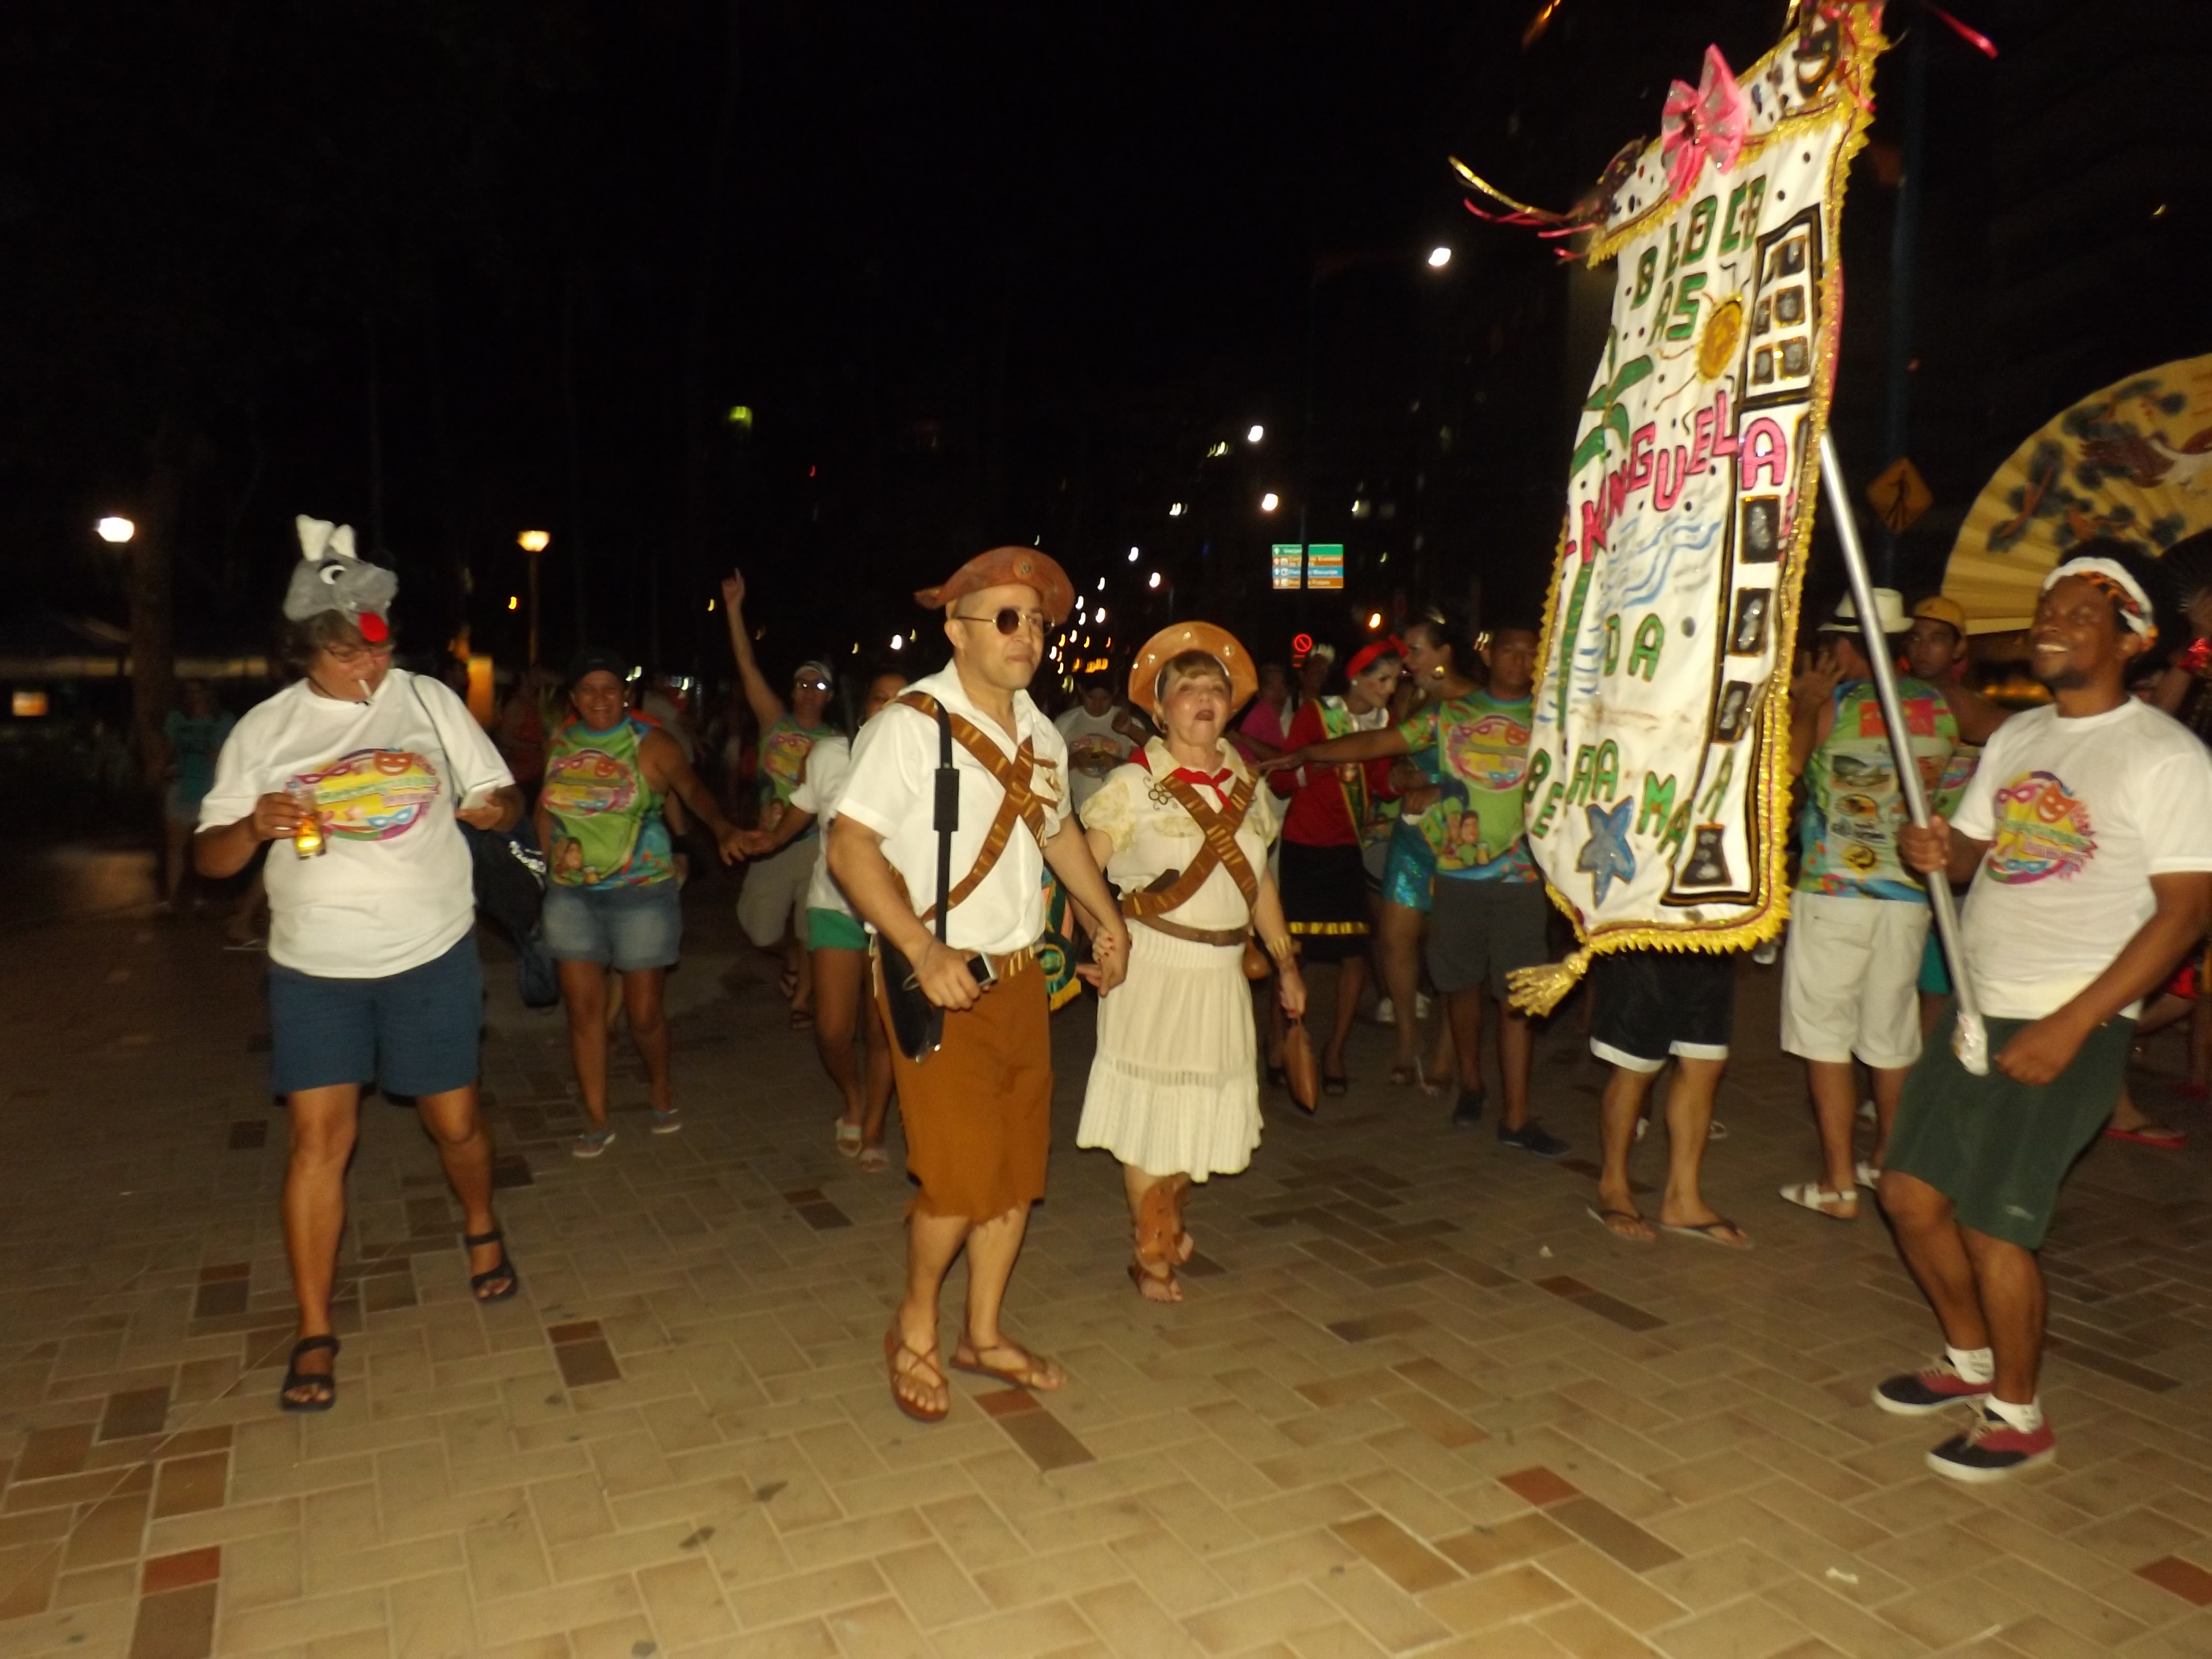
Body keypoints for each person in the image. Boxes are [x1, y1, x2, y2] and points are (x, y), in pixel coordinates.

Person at [1879, 549, 2212, 1480]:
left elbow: (2185, 915)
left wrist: (2069, 1026)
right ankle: (1969, 1359)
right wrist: (1931, 849)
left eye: (2078, 614)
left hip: (2073, 1020)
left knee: (1996, 1224)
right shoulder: (2019, 736)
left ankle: (2019, 1415)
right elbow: (1967, 856)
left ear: (2133, 641)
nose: (2050, 624)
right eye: (2046, 609)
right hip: (1978, 1007)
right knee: (1907, 1195)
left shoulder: (2167, 757)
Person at [194, 516, 523, 1410]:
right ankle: (314, 1326)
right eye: (346, 654)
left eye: (376, 649)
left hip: (431, 950)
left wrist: (493, 810)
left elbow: (499, 793)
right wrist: (250, 827)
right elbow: (211, 861)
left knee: (455, 1122)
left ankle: (481, 1222)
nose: (367, 668)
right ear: (305, 650)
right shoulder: (265, 730)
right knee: (317, 1143)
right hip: (314, 968)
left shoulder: (427, 701)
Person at [827, 545, 1130, 1423]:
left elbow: (1057, 833)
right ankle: (916, 1325)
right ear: (956, 632)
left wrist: (1106, 921)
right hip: (940, 981)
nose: (1026, 633)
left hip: (1021, 977)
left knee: (1015, 1173)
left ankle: (984, 1334)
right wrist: (920, 950)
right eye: (1005, 618)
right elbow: (849, 847)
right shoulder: (910, 727)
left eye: (1035, 621)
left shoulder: (1041, 731)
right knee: (959, 1181)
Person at [1271, 616, 1569, 1154]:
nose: (1519, 661)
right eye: (1509, 650)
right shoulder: (1452, 714)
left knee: (1518, 998)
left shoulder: (1550, 719)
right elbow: (1379, 742)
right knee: (1460, 987)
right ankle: (1470, 1084)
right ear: (1490, 654)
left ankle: (1517, 1115)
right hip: (1455, 874)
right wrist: (1312, 752)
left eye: (1530, 653)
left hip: (1521, 878)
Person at [1077, 624, 1304, 1302]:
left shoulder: (1249, 788)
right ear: (1160, 708)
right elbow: (1082, 871)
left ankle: (1167, 1217)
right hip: (1152, 967)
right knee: (1153, 1114)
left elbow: (1261, 885)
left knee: (1198, 1108)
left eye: (1215, 688)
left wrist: (1286, 963)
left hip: (1223, 974)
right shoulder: (1131, 785)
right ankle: (1151, 1253)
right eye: (1187, 688)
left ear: (1230, 706)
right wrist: (1101, 939)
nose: (1203, 699)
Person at [1777, 591, 1958, 1220]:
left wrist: (1805, 702)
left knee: (1825, 1037)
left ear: (1841, 645)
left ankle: (1836, 1183)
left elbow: (1789, 766)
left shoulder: (1834, 704)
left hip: (1834, 892)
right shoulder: (1941, 705)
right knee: (1889, 1039)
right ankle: (1886, 1162)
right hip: (1908, 894)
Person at [539, 651, 747, 1156]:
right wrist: (545, 864)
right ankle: (596, 1118)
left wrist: (721, 828)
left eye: (609, 688)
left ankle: (660, 1086)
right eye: (588, 690)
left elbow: (692, 789)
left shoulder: (650, 743)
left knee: (644, 1014)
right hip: (572, 894)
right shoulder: (562, 742)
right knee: (583, 1012)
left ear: (626, 694)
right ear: (574, 697)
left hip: (641, 892)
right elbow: (546, 808)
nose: (600, 699)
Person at [747, 664, 910, 1170]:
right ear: (863, 707)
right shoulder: (828, 756)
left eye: (902, 699)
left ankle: (875, 1125)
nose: (890, 707)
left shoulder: (928, 764)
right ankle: (852, 1100)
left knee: (882, 1031)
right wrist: (765, 840)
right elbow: (798, 814)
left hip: (897, 919)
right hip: (834, 906)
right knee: (832, 1030)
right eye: (880, 697)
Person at [1263, 640, 1400, 1093]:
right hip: (1305, 843)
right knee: (1291, 951)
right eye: (1382, 679)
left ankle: (1335, 1050)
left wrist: (1409, 779)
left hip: (1347, 847)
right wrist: (1324, 766)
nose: (1390, 688)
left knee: (1355, 956)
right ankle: (1278, 1040)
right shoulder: (1318, 715)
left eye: (1395, 680)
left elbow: (1383, 784)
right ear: (1357, 677)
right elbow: (1283, 781)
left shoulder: (1386, 724)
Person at [721, 570, 838, 1027]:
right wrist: (734, 609)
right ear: (792, 691)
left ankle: (802, 1000)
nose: (809, 692)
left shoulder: (838, 741)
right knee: (759, 928)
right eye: (803, 684)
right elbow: (747, 666)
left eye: (819, 686)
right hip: (770, 841)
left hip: (813, 845)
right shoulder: (775, 722)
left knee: (812, 928)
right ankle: (789, 958)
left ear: (830, 696)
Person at [1585, 950, 1748, 1247]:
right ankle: (1614, 1188)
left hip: (1710, 936)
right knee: (1635, 1065)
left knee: (1705, 1060)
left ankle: (1682, 1199)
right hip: (1644, 940)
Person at [159, 679, 235, 910]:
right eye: (190, 691)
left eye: (200, 691)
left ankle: (201, 894)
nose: (195, 696)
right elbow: (169, 750)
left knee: (204, 843)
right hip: (182, 786)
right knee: (176, 846)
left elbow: (229, 754)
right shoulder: (177, 720)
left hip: (210, 788)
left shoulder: (223, 721)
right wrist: (165, 768)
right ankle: (173, 897)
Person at [1054, 671, 1142, 817]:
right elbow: (1049, 771)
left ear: (1114, 693)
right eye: (1091, 698)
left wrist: (1116, 763)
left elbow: (1144, 771)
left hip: (1120, 812)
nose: (1098, 705)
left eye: (1105, 699)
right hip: (1077, 812)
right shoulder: (1064, 723)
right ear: (1081, 691)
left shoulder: (1127, 723)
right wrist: (1074, 760)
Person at [1233, 662, 1295, 762]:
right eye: (1271, 687)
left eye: (1282, 686)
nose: (1278, 693)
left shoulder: (1296, 721)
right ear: (1259, 692)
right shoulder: (1258, 715)